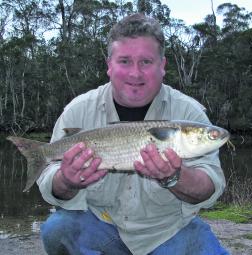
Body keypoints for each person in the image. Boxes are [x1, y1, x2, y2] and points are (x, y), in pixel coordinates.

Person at [37, 13, 228, 255]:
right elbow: (49, 182)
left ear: (162, 66)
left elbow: (210, 185)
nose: (135, 74)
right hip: (100, 224)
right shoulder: (78, 110)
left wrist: (175, 177)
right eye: (125, 61)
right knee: (57, 229)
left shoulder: (189, 113)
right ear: (109, 66)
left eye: (146, 62)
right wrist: (66, 180)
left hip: (168, 231)